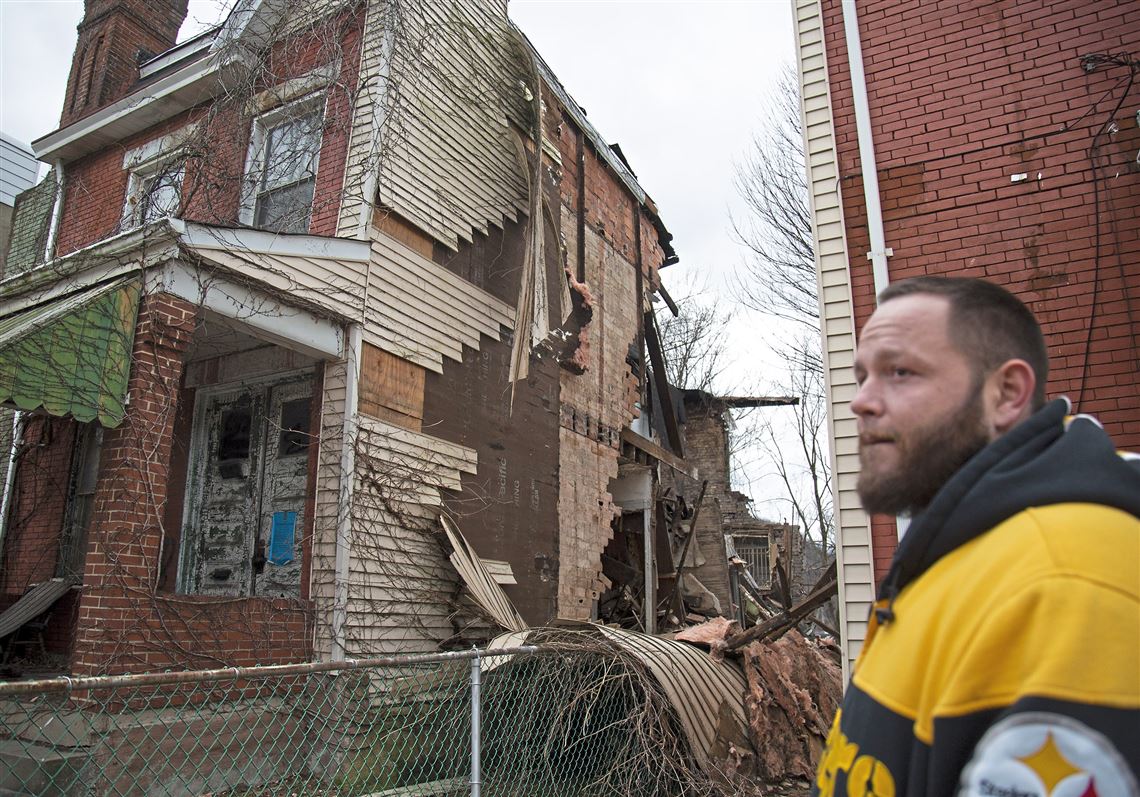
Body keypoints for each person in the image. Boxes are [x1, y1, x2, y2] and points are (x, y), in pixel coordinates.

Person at [813, 277, 1139, 796]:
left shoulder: (1063, 584)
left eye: (900, 372)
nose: (862, 402)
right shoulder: (956, 551)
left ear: (1007, 393)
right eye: (861, 376)